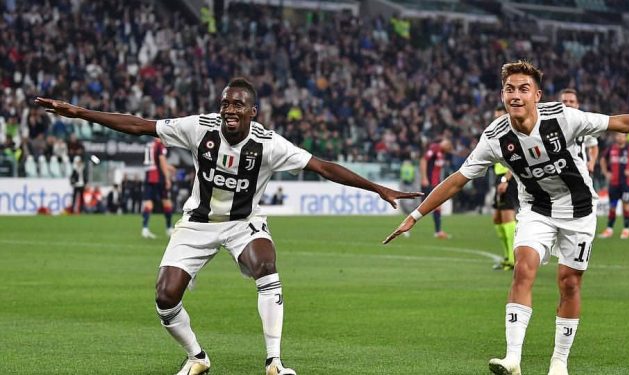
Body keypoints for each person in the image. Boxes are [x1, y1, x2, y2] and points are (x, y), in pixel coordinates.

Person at [36, 77, 421, 375]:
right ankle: (197, 357)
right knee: (165, 297)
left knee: (266, 265)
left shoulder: (269, 144)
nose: (228, 109)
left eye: (237, 104)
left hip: (243, 222)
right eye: (225, 103)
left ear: (253, 112)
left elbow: (322, 166)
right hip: (197, 223)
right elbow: (140, 126)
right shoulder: (199, 127)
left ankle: (274, 362)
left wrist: (376, 188)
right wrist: (80, 112)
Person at [383, 61, 629, 375]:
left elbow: (621, 122)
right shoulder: (495, 136)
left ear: (537, 95)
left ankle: (559, 362)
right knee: (523, 268)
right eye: (509, 89)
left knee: (569, 283)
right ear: (502, 95)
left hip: (580, 211)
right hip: (537, 210)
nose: (516, 95)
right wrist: (416, 215)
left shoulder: (564, 118)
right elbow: (458, 178)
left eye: (523, 89)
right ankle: (512, 358)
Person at [598, 133, 629, 239]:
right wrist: (606, 173)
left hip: (625, 184)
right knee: (612, 206)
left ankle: (626, 230)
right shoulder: (611, 148)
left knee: (626, 205)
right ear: (615, 137)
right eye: (618, 135)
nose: (619, 137)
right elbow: (602, 160)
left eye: (622, 136)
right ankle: (609, 229)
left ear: (626, 137)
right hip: (613, 184)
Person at [491, 107, 518, 271]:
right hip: (499, 178)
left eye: (500, 117)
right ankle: (508, 257)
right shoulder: (498, 135)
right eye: (495, 117)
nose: (497, 120)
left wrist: (505, 180)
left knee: (507, 216)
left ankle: (514, 259)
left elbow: (516, 160)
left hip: (509, 178)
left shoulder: (512, 135)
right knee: (497, 218)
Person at [141, 138, 176, 238]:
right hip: (158, 177)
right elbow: (161, 161)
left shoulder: (148, 144)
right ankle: (169, 228)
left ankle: (145, 229)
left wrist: (169, 167)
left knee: (148, 203)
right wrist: (167, 178)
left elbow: (153, 161)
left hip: (148, 176)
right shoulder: (159, 144)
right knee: (166, 201)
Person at [420, 137, 453, 239]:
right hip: (429, 183)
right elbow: (423, 161)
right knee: (424, 207)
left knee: (436, 206)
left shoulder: (442, 154)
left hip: (435, 184)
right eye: (447, 144)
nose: (447, 146)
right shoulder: (434, 148)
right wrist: (424, 178)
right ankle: (405, 227)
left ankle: (438, 232)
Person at [559, 89, 598, 174]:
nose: (568, 104)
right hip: (558, 174)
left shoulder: (585, 123)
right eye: (564, 101)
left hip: (580, 173)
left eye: (571, 101)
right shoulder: (549, 124)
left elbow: (593, 146)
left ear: (577, 105)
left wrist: (591, 162)